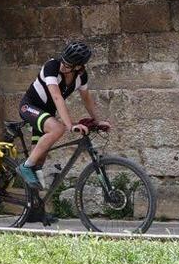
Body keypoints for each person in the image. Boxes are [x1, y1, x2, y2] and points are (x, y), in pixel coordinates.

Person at [17, 39, 111, 196]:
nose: (63, 65)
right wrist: (69, 126)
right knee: (57, 128)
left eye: (67, 65)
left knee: (39, 161)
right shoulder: (52, 66)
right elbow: (57, 97)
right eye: (63, 61)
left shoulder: (81, 77)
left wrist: (97, 120)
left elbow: (87, 99)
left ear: (78, 67)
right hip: (29, 107)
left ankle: (34, 209)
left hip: (46, 113)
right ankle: (24, 167)